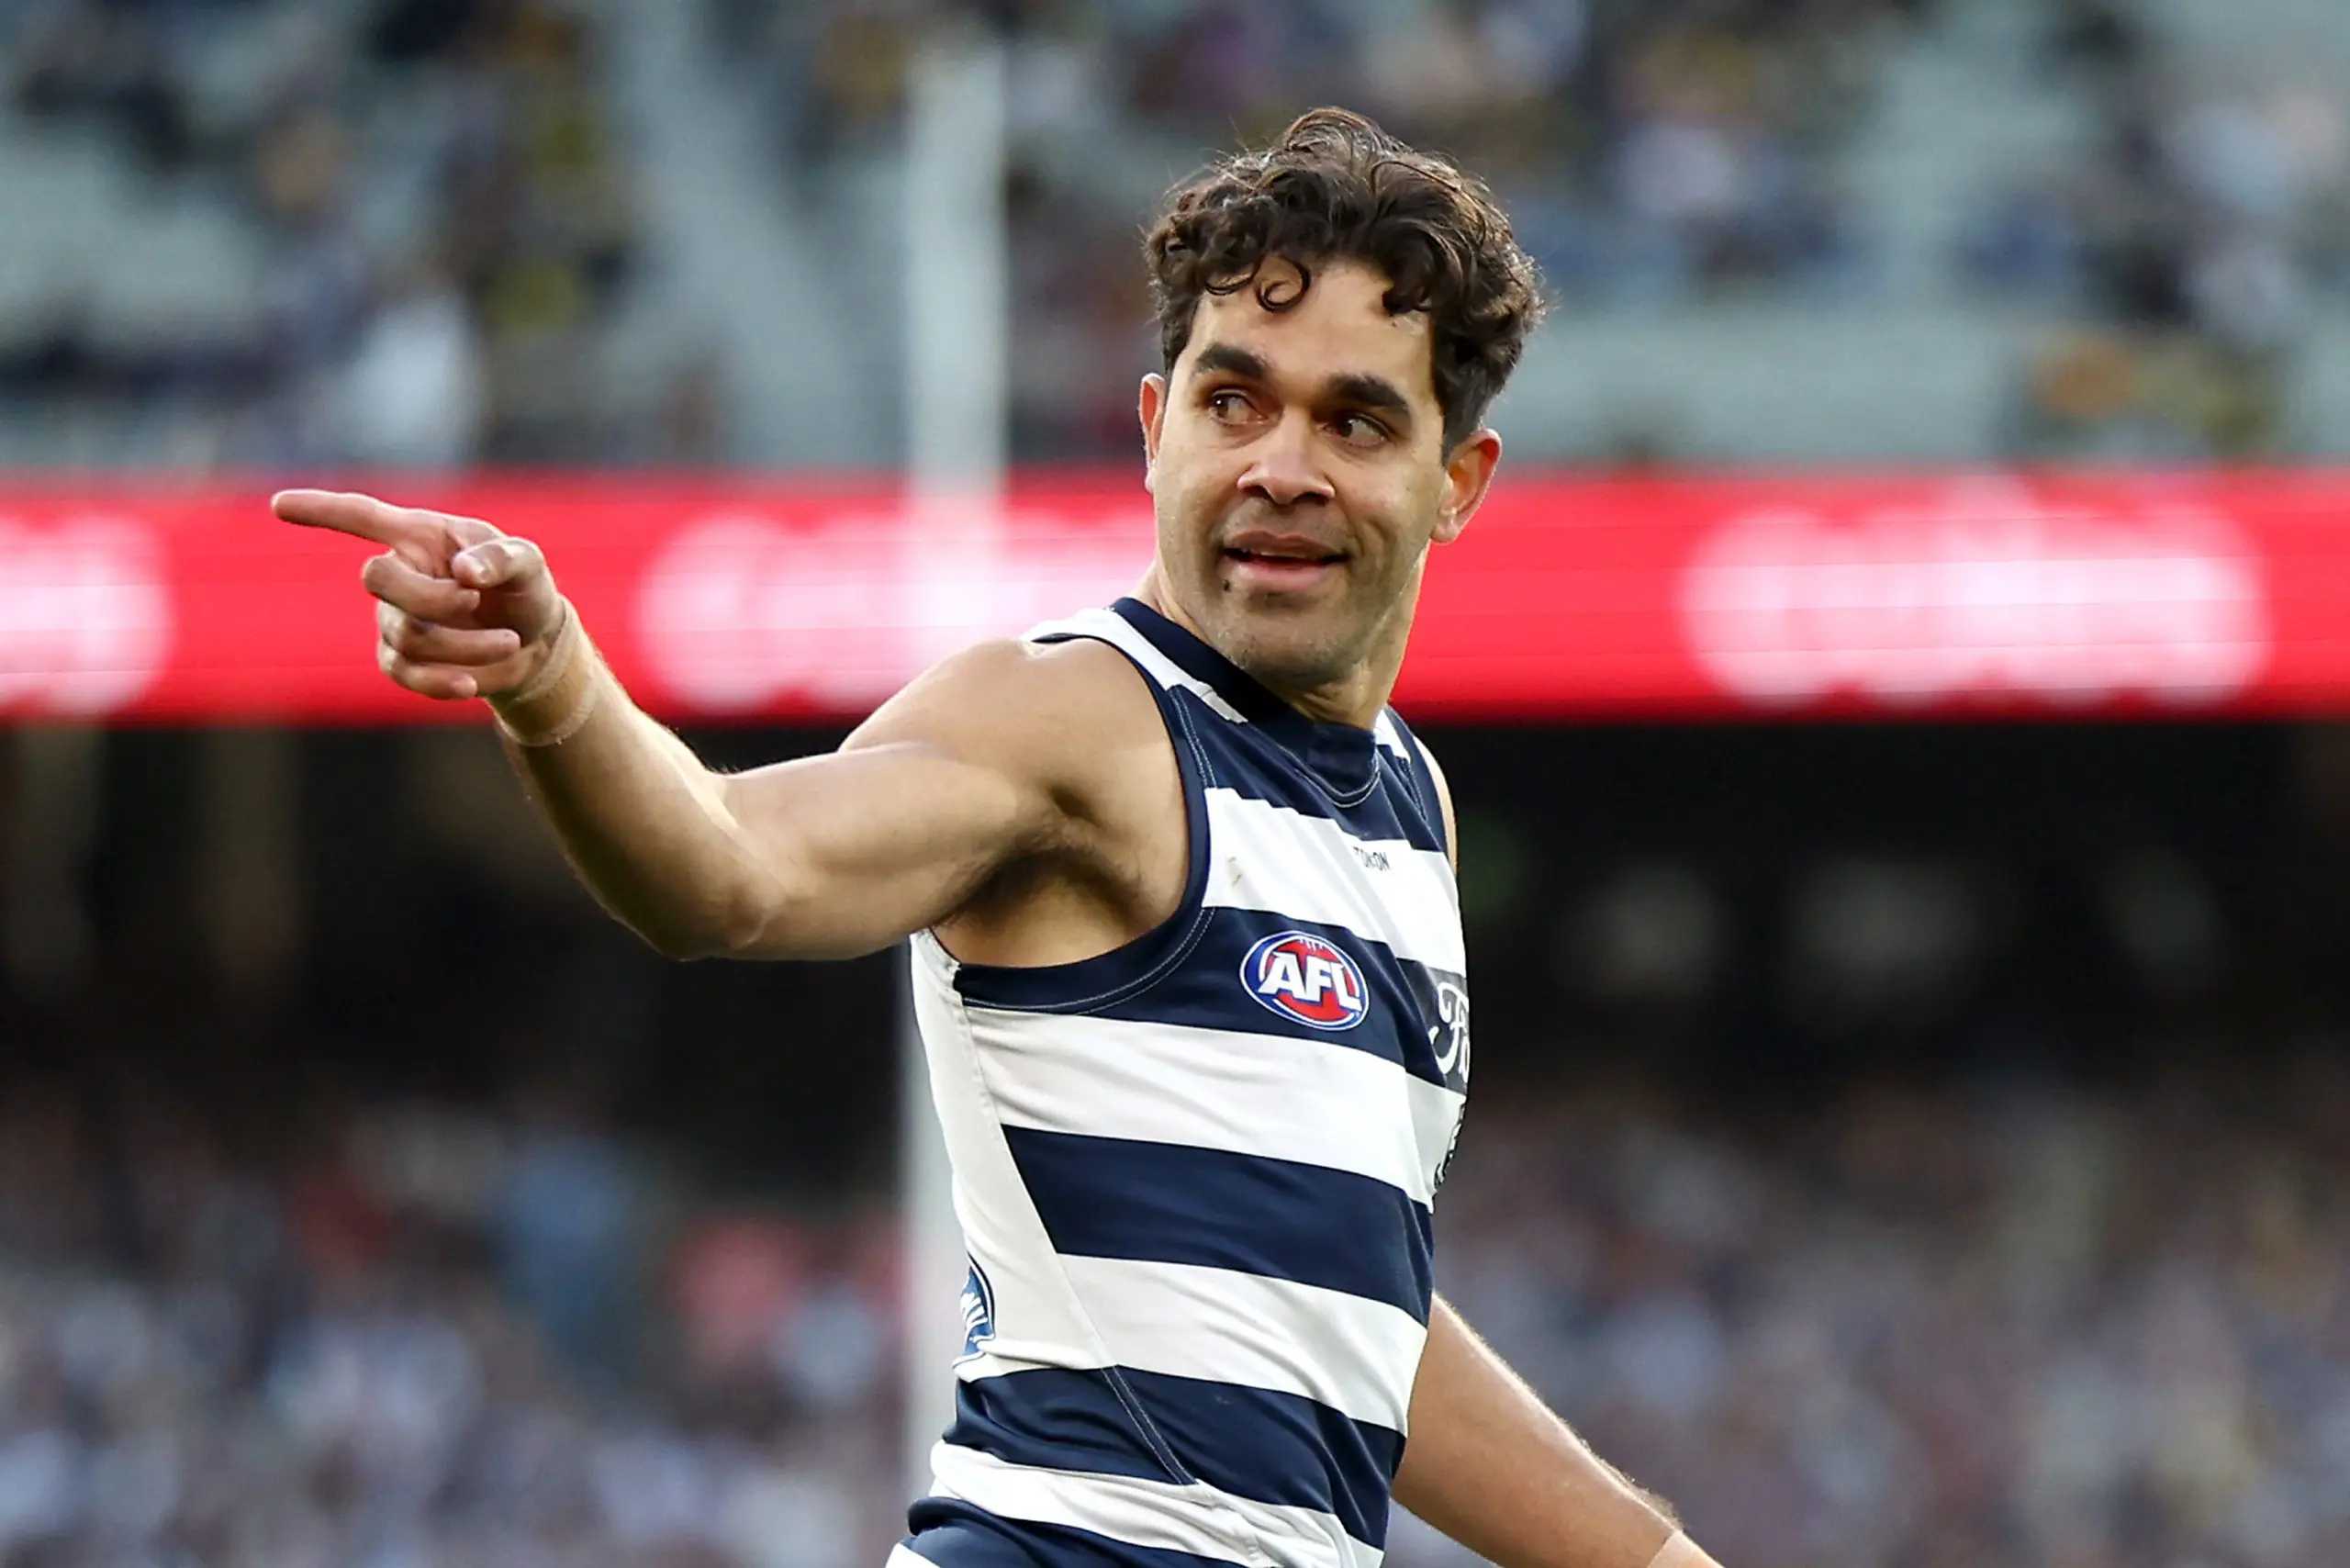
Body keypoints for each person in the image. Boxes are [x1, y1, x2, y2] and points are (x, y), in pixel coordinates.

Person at [275, 108, 1725, 1568]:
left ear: (1456, 482)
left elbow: (1340, 1318)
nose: (1283, 463)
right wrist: (552, 681)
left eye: (1353, 419)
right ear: (1157, 431)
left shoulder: (1409, 806)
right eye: (1236, 402)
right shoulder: (1071, 717)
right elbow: (729, 868)